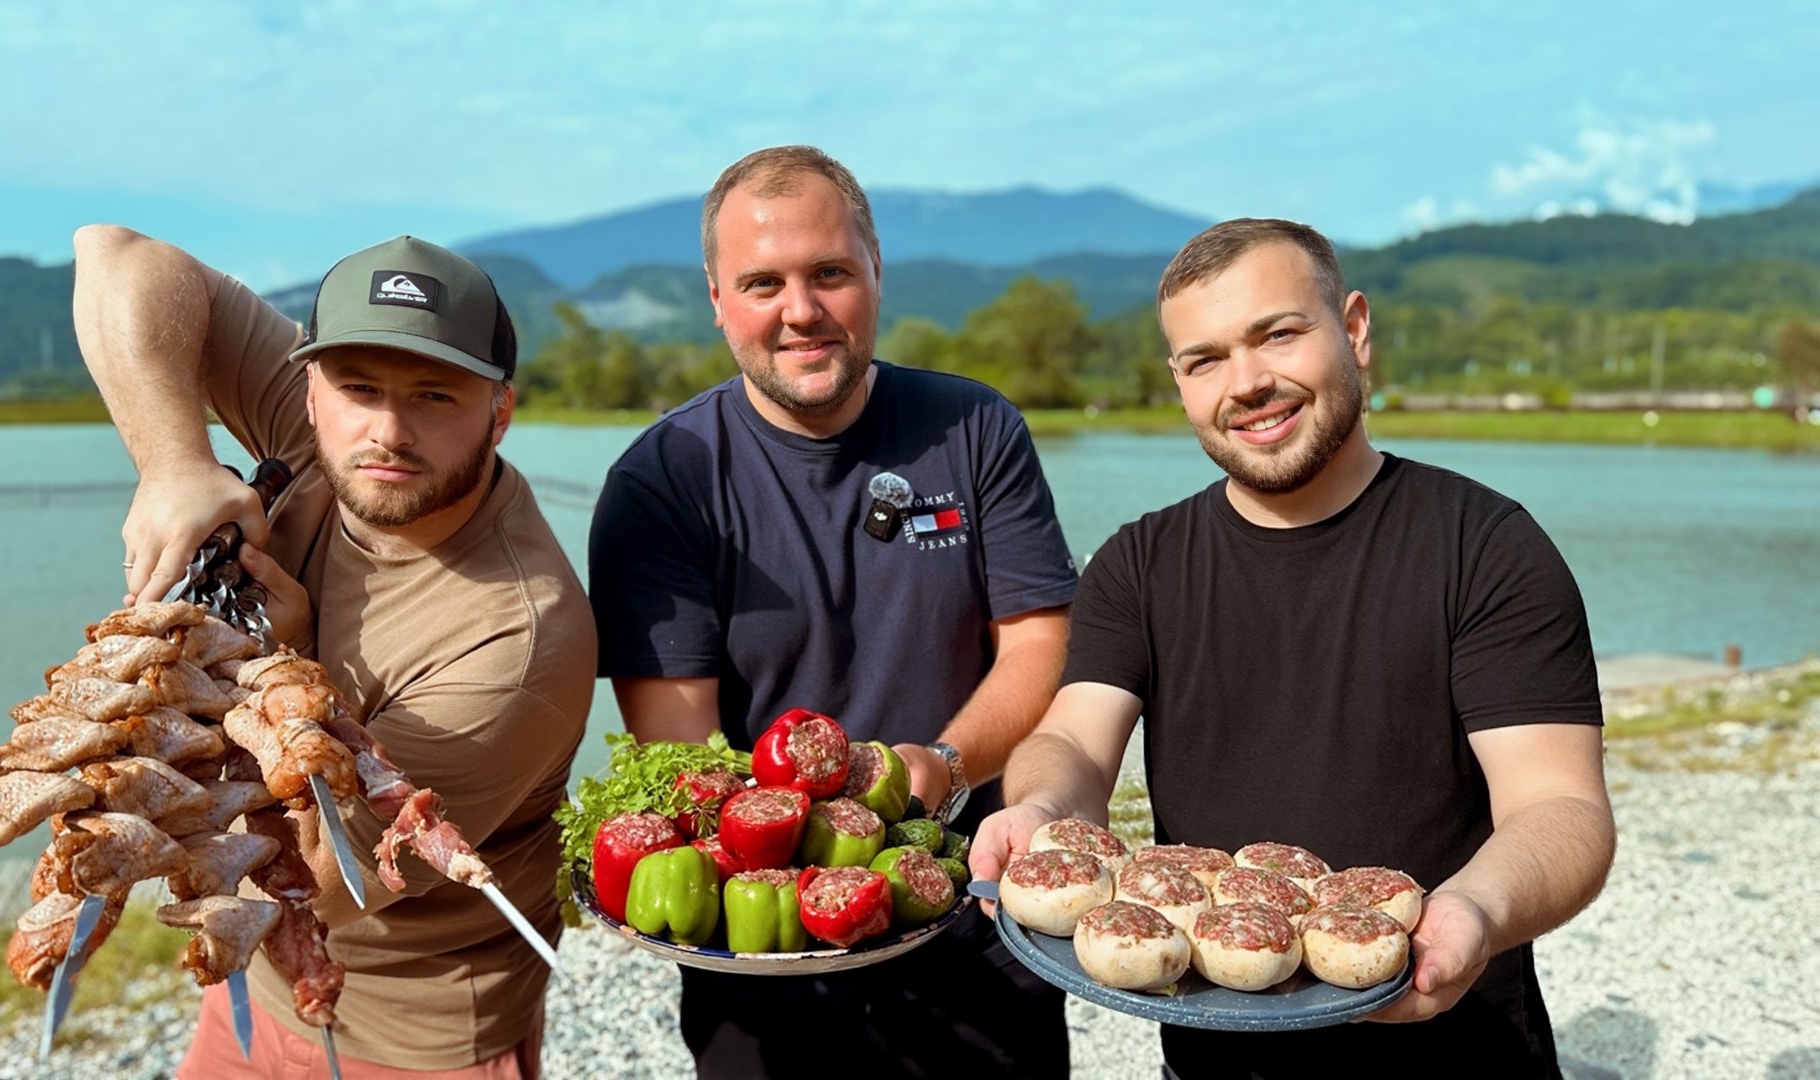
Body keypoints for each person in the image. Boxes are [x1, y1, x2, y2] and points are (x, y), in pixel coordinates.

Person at [969, 219, 1616, 1078]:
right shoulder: (1140, 561)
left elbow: (1562, 810)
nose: (1248, 384)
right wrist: (1046, 812)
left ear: (1353, 330)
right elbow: (1073, 740)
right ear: (1180, 381)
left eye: (1278, 334)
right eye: (1205, 360)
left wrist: (1475, 910)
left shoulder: (1485, 547)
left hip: (1453, 1048)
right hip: (1210, 1058)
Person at [586, 145, 1080, 1076]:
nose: (800, 310)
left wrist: (943, 764)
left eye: (829, 274)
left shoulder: (976, 429)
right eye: (762, 281)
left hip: (968, 911)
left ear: (876, 270)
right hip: (765, 952)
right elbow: (678, 743)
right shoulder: (660, 483)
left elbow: (1039, 647)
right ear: (717, 296)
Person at [73, 227, 595, 1078]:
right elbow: (115, 255)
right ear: (307, 390)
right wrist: (173, 464)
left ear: (500, 411)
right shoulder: (319, 431)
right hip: (254, 991)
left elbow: (318, 885)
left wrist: (287, 655)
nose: (388, 430)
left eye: (436, 395)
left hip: (417, 1036)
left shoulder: (517, 637)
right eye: (358, 387)